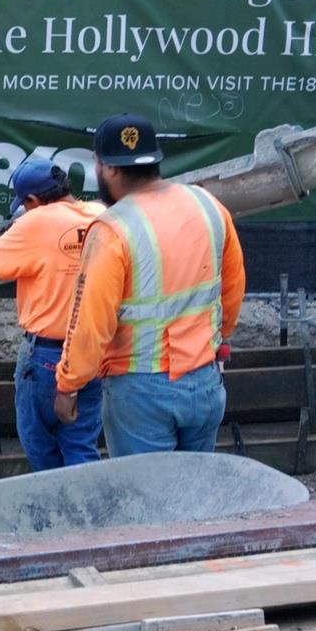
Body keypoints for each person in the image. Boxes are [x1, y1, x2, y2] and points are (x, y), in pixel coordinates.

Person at [55, 114, 245, 457]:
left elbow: (91, 323)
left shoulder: (113, 229)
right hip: (205, 382)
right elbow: (231, 290)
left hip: (140, 390)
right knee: (195, 496)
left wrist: (69, 385)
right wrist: (219, 339)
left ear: (108, 168)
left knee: (145, 501)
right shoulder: (208, 205)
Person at [0, 158, 106, 470]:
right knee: (81, 446)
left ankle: (52, 514)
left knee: (40, 446)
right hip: (93, 353)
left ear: (33, 200)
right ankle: (85, 515)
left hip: (47, 356)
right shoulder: (101, 214)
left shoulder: (34, 223)